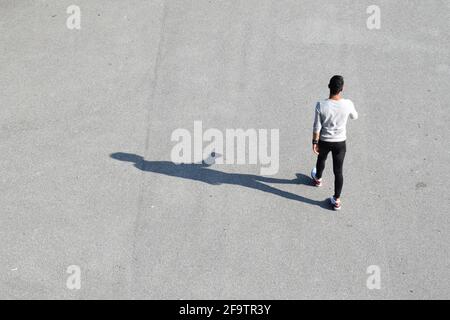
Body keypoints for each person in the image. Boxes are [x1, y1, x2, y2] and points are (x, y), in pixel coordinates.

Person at [311, 75, 358, 211]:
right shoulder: (348, 104)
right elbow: (355, 116)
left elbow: (316, 127)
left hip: (324, 140)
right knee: (338, 171)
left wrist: (315, 141)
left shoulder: (321, 105)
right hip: (340, 142)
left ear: (329, 87)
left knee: (321, 158)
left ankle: (318, 179)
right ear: (341, 89)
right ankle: (336, 200)